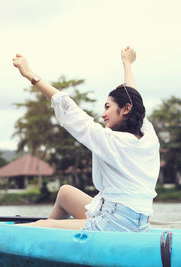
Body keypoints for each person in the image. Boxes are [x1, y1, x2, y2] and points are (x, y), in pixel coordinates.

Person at [12, 46, 160, 232]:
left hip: (114, 224)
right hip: (135, 220)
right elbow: (134, 97)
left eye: (107, 107)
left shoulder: (110, 140)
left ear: (126, 109)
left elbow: (69, 110)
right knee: (65, 193)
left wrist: (31, 76)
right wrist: (127, 64)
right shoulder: (149, 135)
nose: (103, 114)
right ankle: (54, 244)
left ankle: (45, 231)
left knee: (39, 226)